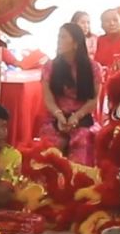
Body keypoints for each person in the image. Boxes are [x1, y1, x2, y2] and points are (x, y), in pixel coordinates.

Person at [38, 23, 99, 165]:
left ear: (76, 43)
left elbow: (93, 100)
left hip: (82, 117)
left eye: (63, 37)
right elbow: (48, 98)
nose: (58, 41)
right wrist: (59, 115)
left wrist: (76, 117)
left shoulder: (93, 68)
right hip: (56, 117)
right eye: (58, 37)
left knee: (83, 140)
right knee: (51, 148)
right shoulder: (50, 66)